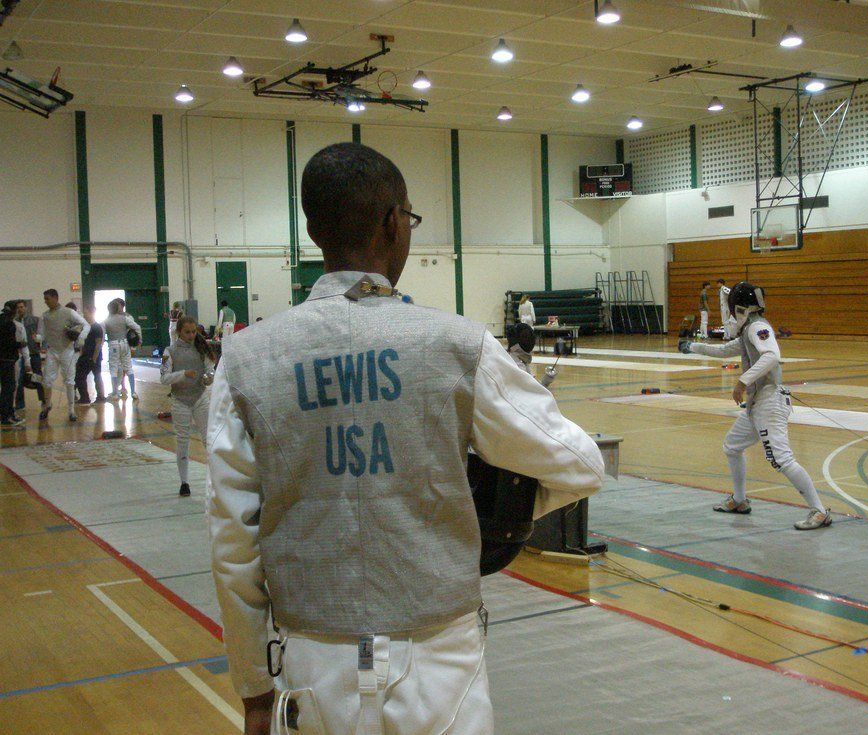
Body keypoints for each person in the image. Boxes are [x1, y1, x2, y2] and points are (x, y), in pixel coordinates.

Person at [207, 142, 604, 735]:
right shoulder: (457, 344)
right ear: (394, 222)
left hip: (312, 664)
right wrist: (480, 517)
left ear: (314, 230)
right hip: (439, 662)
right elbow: (579, 464)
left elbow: (233, 547)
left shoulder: (245, 358)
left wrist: (254, 690)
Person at [679, 281, 831, 531]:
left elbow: (772, 356)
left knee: (781, 458)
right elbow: (726, 350)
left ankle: (820, 511)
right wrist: (691, 347)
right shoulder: (749, 329)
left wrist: (741, 382)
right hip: (757, 403)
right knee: (732, 446)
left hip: (770, 402)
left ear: (740, 308)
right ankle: (739, 501)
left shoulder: (758, 327)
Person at [161, 315, 215, 498]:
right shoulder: (169, 351)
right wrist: (183, 374)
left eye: (193, 332)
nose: (191, 335)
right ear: (179, 332)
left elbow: (210, 370)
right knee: (182, 441)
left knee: (209, 439)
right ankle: (184, 482)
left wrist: (209, 377)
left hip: (200, 398)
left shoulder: (202, 349)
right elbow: (164, 378)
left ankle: (216, 480)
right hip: (180, 400)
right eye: (187, 332)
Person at [36, 288, 89, 423]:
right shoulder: (45, 316)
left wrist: (81, 337)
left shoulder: (68, 312)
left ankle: (71, 410)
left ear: (55, 298)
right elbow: (41, 333)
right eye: (45, 299)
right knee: (47, 380)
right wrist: (38, 338)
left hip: (67, 351)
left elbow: (86, 325)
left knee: (70, 382)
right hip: (52, 351)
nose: (45, 302)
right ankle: (47, 406)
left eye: (47, 299)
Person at [103, 298, 141, 402]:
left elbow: (102, 337)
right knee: (128, 367)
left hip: (113, 345)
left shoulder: (106, 321)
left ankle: (115, 393)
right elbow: (137, 327)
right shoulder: (125, 318)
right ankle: (133, 392)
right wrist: (138, 341)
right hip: (125, 344)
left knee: (113, 369)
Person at [1, 301, 31, 428]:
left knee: (5, 389)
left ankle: (6, 414)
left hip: (3, 360)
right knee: (10, 388)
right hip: (8, 360)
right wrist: (21, 344)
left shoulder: (2, 320)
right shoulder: (12, 325)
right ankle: (7, 416)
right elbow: (9, 343)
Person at [13, 299, 44, 415]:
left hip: (34, 353)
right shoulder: (14, 322)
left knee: (38, 377)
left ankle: (43, 400)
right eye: (18, 307)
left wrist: (42, 345)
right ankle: (20, 404)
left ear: (25, 308)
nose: (20, 309)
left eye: (22, 307)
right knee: (19, 379)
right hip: (20, 356)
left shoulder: (34, 320)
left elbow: (43, 334)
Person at [75, 305, 105, 405]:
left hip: (93, 357)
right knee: (80, 376)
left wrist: (94, 359)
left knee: (96, 376)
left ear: (91, 313)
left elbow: (98, 344)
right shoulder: (85, 327)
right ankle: (85, 397)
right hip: (85, 355)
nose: (84, 315)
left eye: (86, 313)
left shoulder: (96, 327)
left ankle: (100, 397)